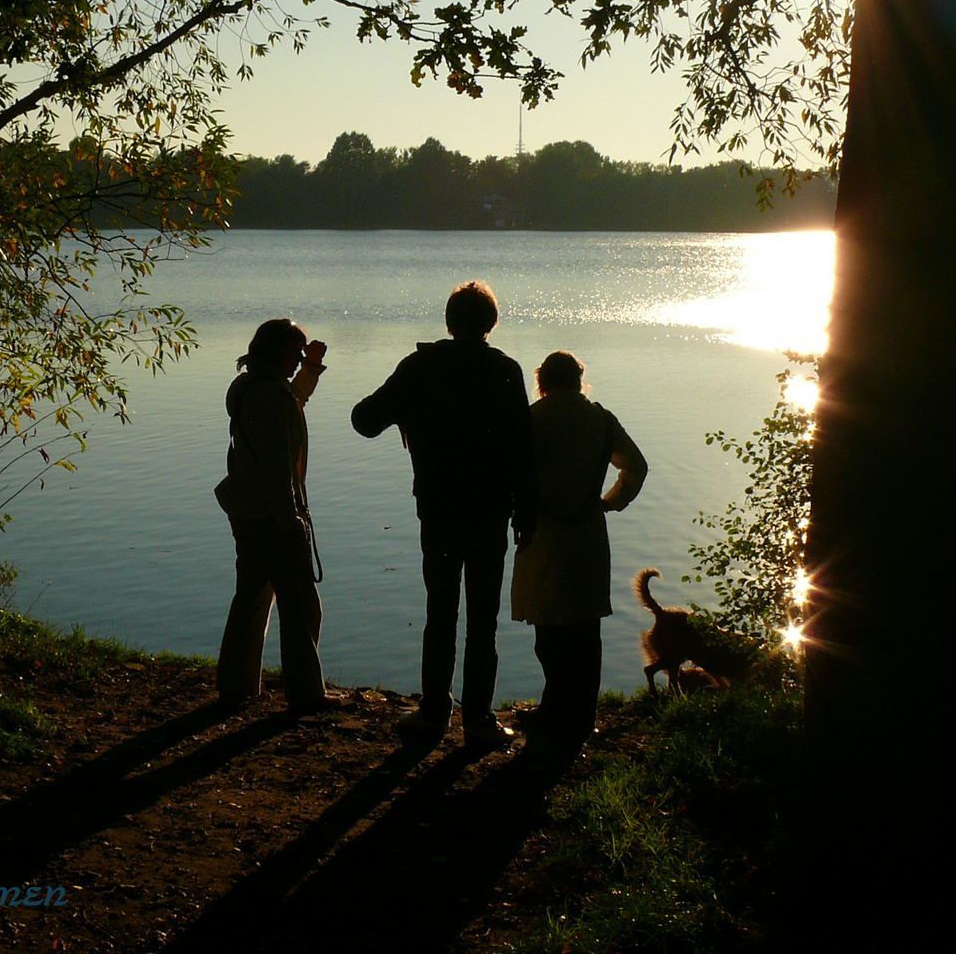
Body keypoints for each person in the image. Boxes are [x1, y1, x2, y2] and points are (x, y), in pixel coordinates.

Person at [351, 281, 537, 748]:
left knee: (440, 612)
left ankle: (434, 714)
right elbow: (522, 449)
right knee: (483, 619)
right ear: (492, 324)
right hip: (491, 510)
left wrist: (407, 405)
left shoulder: (420, 366)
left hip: (437, 508)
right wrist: (526, 512)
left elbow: (363, 420)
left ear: (449, 322)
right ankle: (477, 720)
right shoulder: (507, 371)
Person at [510, 351, 647, 751]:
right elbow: (636, 466)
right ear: (579, 380)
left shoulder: (532, 419)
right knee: (587, 629)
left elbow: (510, 471)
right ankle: (582, 715)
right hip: (587, 532)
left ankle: (554, 709)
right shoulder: (601, 419)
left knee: (548, 625)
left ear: (542, 382)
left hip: (543, 533)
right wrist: (610, 501)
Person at [213, 318, 344, 714]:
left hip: (248, 512)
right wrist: (291, 521)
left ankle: (235, 687)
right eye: (295, 352)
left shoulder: (254, 387)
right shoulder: (269, 396)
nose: (299, 358)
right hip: (272, 517)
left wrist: (310, 369)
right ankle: (306, 695)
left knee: (251, 598)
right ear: (277, 352)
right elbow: (276, 469)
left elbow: (295, 398)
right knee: (301, 605)